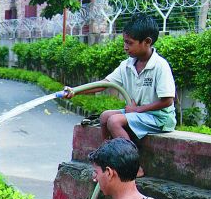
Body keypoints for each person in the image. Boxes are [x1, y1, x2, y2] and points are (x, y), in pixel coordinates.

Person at [62, 14, 176, 143]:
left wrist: (137, 109)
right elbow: (104, 84)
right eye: (124, 42)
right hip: (138, 114)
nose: (125, 47)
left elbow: (167, 101)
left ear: (147, 42)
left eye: (129, 43)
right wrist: (75, 91)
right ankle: (108, 153)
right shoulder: (127, 65)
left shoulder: (160, 65)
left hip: (159, 118)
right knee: (105, 116)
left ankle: (129, 161)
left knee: (114, 121)